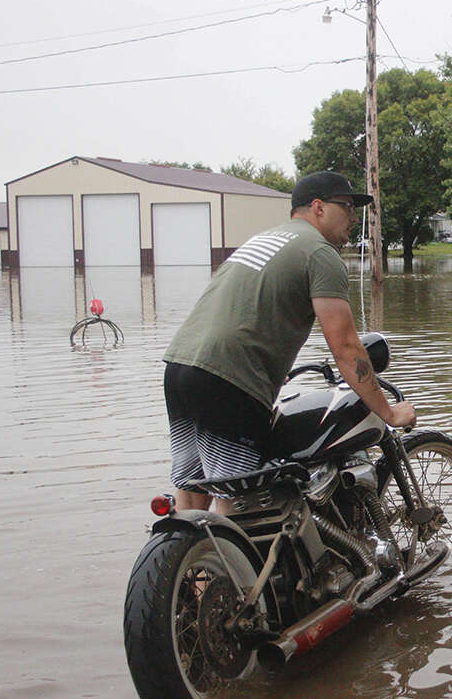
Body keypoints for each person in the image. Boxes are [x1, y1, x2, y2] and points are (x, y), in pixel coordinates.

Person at [162, 170, 416, 512]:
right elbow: (345, 347)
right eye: (347, 207)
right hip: (228, 380)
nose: (354, 218)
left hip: (181, 370)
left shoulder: (264, 240)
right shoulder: (320, 252)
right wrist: (387, 412)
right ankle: (237, 566)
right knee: (239, 504)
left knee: (193, 494)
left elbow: (245, 311)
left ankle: (187, 564)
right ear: (318, 207)